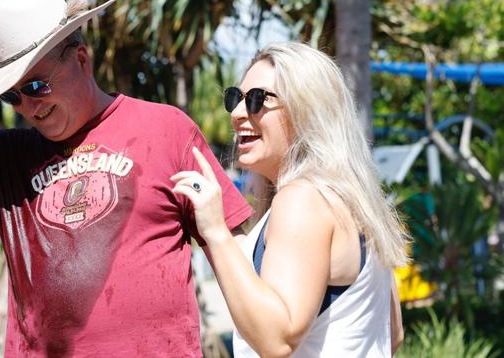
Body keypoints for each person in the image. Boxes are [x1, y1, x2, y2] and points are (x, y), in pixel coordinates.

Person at [0, 0, 252, 356]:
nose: (27, 106)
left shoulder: (167, 129)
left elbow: (235, 255)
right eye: (11, 96)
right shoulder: (6, 156)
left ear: (82, 60)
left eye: (37, 86)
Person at [171, 41, 408, 357]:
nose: (238, 113)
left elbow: (277, 339)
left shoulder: (302, 199)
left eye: (257, 100)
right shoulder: (353, 201)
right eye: (235, 98)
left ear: (307, 110)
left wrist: (215, 232)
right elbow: (393, 334)